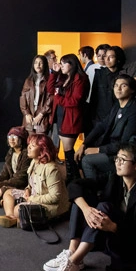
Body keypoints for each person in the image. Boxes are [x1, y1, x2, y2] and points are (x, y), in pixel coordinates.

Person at [44, 141, 136, 271]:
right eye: (117, 158)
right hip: (108, 236)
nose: (117, 163)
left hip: (132, 246)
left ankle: (73, 262)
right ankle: (73, 254)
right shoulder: (114, 178)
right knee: (82, 198)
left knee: (104, 206)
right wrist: (86, 209)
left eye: (123, 160)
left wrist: (113, 227)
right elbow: (75, 185)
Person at [77, 74, 136, 184]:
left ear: (132, 90)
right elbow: (102, 125)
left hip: (121, 154)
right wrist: (84, 144)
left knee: (87, 160)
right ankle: (100, 187)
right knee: (81, 154)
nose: (118, 89)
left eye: (123, 86)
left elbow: (125, 143)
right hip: (110, 147)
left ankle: (94, 191)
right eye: (116, 85)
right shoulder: (117, 105)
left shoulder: (135, 111)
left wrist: (98, 150)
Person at [0, 133, 68, 228]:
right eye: (29, 144)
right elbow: (31, 183)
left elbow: (55, 197)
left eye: (33, 146)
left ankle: (18, 217)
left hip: (48, 204)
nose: (29, 147)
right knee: (8, 193)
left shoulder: (51, 169)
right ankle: (11, 217)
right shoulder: (34, 162)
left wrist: (32, 199)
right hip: (34, 195)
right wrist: (27, 189)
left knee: (18, 209)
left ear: (43, 150)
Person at [46, 53, 89, 182]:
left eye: (64, 63)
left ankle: (73, 177)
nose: (61, 65)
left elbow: (75, 101)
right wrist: (54, 73)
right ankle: (72, 176)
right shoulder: (64, 77)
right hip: (60, 115)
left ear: (72, 64)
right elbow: (49, 89)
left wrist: (58, 97)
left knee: (68, 150)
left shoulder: (80, 78)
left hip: (71, 117)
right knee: (67, 150)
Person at [0, 126, 31, 208]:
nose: (11, 140)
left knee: (3, 189)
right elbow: (5, 173)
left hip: (22, 184)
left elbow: (20, 179)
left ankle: (1, 199)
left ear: (21, 139)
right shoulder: (11, 152)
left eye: (15, 137)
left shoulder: (26, 155)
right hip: (11, 180)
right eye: (9, 137)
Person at [89, 45, 126, 128]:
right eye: (106, 56)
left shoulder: (124, 74)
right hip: (100, 116)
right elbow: (94, 96)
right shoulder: (99, 73)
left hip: (118, 115)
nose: (107, 59)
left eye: (111, 57)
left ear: (118, 59)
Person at [19, 55, 52, 135]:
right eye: (36, 63)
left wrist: (41, 115)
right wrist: (26, 113)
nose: (38, 65)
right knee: (30, 143)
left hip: (42, 118)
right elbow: (22, 98)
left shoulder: (49, 80)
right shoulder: (28, 81)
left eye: (41, 63)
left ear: (45, 64)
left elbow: (51, 99)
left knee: (41, 144)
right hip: (29, 118)